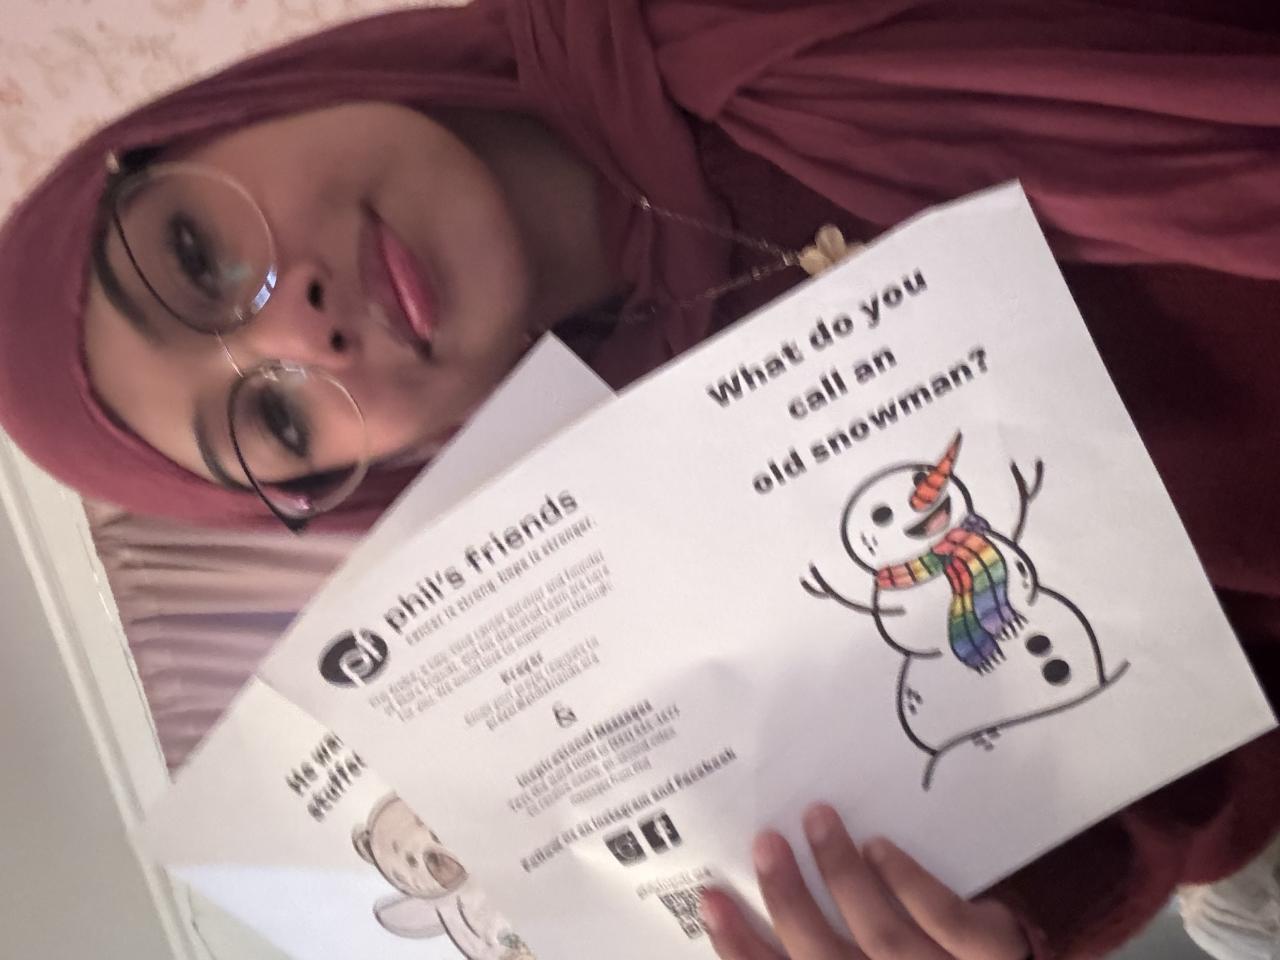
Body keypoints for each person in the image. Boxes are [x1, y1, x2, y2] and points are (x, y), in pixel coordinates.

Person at [0, 0, 1277, 956]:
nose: (301, 330)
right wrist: (975, 927)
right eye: (275, 419)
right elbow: (1149, 768)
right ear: (364, 473)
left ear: (214, 119)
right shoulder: (672, 604)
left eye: (197, 258)